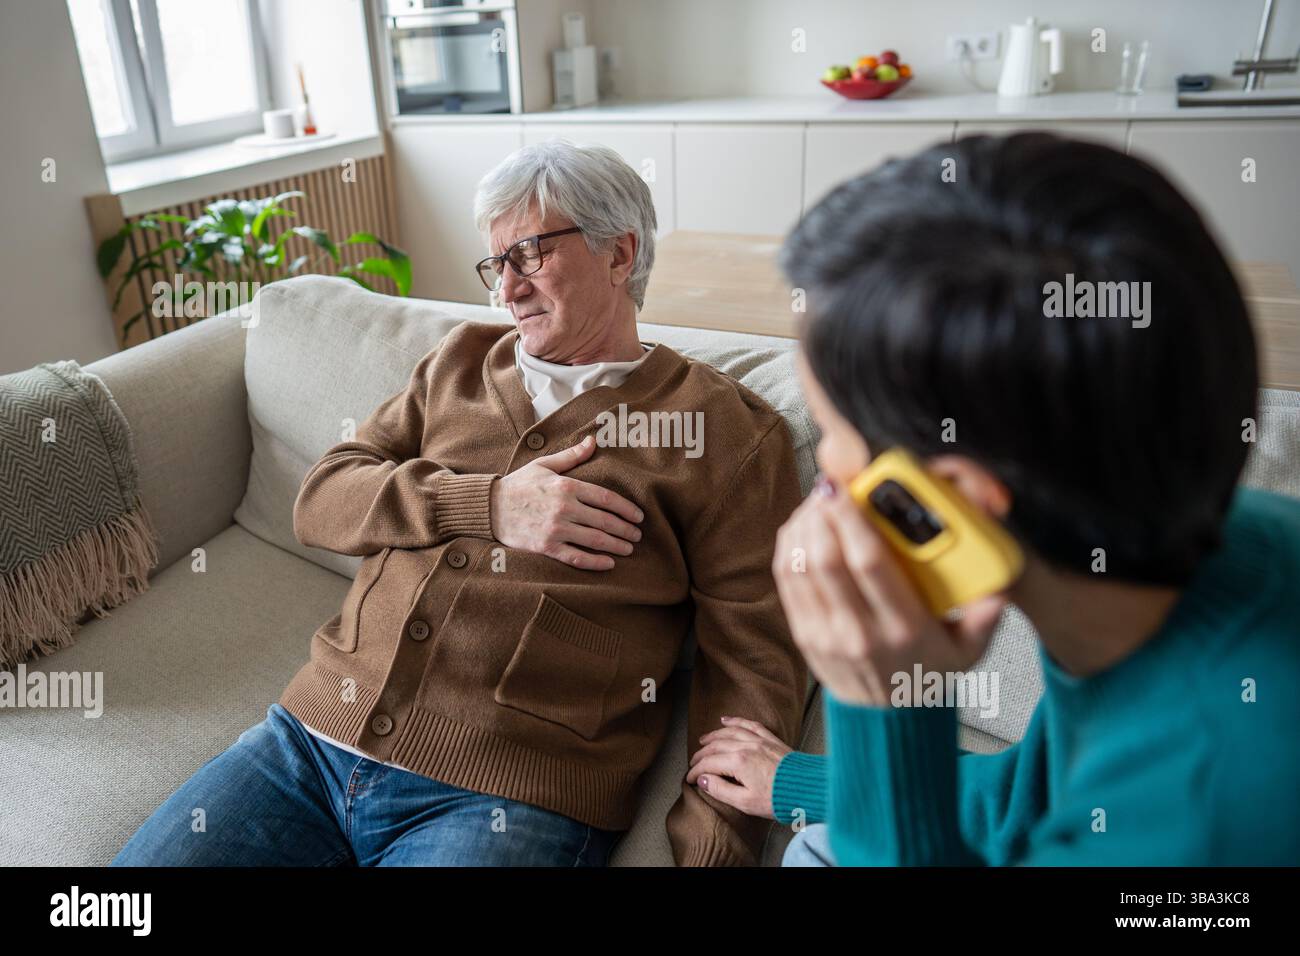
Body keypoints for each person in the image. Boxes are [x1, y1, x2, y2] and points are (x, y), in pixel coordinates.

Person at [111, 140, 807, 867]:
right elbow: (323, 499)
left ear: (619, 253)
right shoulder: (460, 362)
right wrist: (490, 505)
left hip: (510, 795)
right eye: (495, 263)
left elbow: (754, 660)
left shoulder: (722, 430)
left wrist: (712, 855)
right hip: (310, 744)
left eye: (530, 254)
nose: (506, 289)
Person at [686, 132, 1300, 866]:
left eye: (833, 435)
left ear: (951, 505)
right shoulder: (1230, 543)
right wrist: (811, 781)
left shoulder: (1205, 825)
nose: (824, 469)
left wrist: (885, 707)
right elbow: (1050, 795)